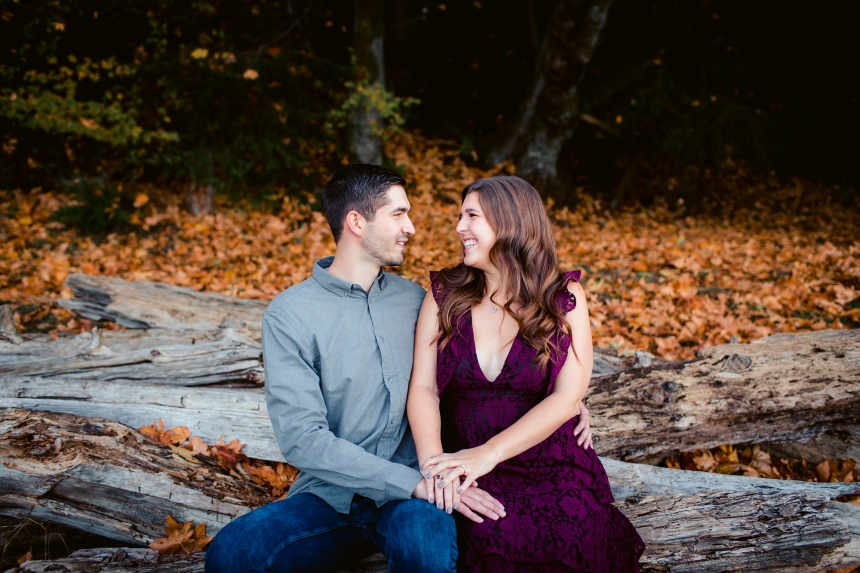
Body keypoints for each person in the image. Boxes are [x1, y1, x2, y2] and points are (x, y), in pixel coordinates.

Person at [205, 165, 516, 573]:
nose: (412, 227)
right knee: (232, 553)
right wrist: (412, 484)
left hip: (412, 500)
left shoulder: (419, 301)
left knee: (424, 550)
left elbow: (479, 367)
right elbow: (302, 438)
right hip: (332, 496)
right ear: (356, 221)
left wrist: (563, 400)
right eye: (398, 214)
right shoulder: (291, 314)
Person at [407, 176, 645, 572]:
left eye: (471, 216)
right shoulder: (444, 294)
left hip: (549, 463)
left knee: (573, 536)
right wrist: (437, 470)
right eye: (460, 215)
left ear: (509, 223)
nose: (459, 227)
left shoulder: (562, 298)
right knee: (489, 539)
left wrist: (490, 454)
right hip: (467, 467)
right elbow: (424, 387)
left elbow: (567, 397)